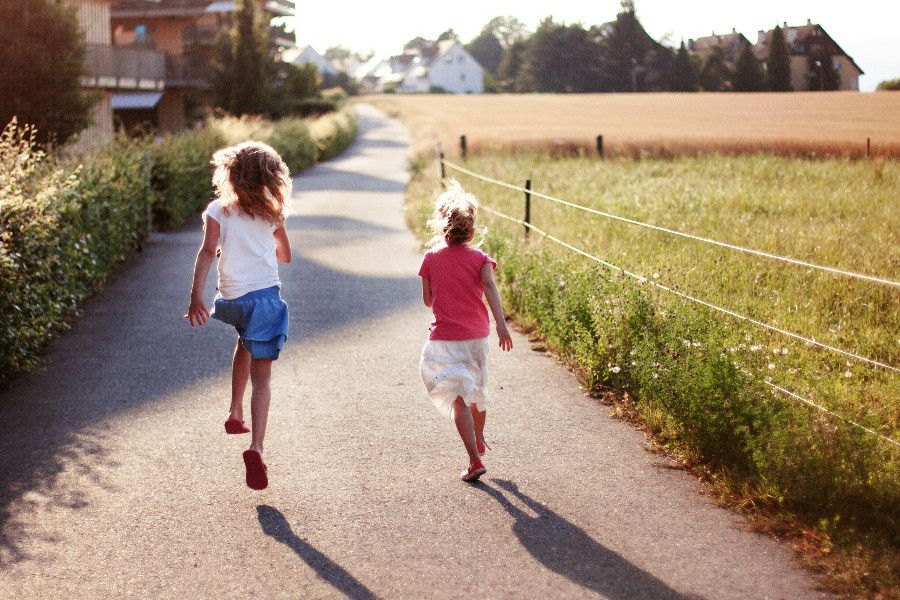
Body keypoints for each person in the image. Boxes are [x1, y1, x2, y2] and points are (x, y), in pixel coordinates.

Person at [185, 141, 292, 491]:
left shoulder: (217, 209)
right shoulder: (272, 211)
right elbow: (285, 256)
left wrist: (196, 296)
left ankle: (235, 412)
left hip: (231, 301)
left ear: (230, 174)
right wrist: (269, 240)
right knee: (262, 379)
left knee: (244, 340)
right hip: (264, 300)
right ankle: (256, 447)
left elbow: (206, 252)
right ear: (270, 177)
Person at [418, 180, 513, 482]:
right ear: (471, 232)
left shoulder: (430, 259)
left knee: (458, 397)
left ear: (441, 228)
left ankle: (474, 459)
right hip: (477, 337)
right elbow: (490, 289)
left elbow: (428, 301)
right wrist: (501, 326)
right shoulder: (481, 260)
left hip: (445, 340)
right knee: (477, 390)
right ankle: (480, 438)